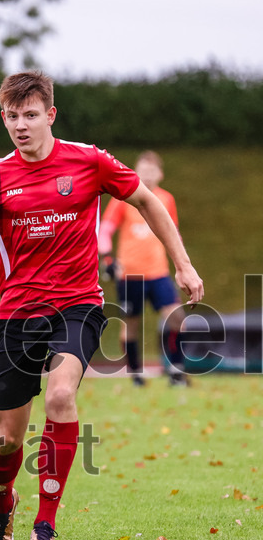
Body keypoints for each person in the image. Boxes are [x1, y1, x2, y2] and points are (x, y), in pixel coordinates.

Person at [0, 71, 204, 540]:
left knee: (61, 396)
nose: (21, 125)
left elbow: (146, 200)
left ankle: (45, 525)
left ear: (50, 115)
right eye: (12, 116)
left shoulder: (89, 161)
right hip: (17, 315)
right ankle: (3, 500)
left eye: (30, 115)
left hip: (78, 305)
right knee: (6, 442)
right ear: (4, 118)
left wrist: (182, 263)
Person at [98, 151, 188, 386]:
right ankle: (135, 373)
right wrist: (107, 259)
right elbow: (105, 230)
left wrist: (182, 264)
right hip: (130, 275)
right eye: (142, 171)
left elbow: (173, 233)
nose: (146, 176)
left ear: (160, 174)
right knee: (131, 324)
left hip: (158, 273)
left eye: (151, 172)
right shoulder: (122, 199)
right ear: (135, 172)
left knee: (178, 318)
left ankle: (176, 371)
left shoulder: (166, 199)